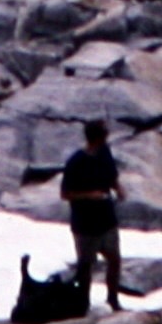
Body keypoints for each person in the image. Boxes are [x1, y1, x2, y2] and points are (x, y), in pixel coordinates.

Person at [59, 120, 125, 311]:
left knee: (114, 260)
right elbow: (65, 194)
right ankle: (83, 303)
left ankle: (113, 299)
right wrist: (90, 195)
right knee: (86, 266)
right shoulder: (76, 162)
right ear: (97, 137)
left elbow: (112, 176)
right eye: (104, 135)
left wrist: (118, 188)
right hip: (84, 223)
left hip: (107, 218)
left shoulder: (105, 153)